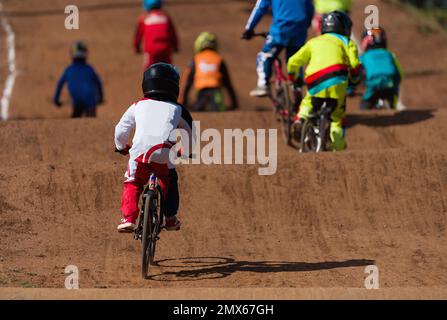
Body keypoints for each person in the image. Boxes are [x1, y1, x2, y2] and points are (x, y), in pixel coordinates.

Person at [114, 63, 194, 233]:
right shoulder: (178, 109)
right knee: (169, 180)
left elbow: (121, 129)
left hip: (139, 152)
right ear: (174, 86)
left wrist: (120, 146)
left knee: (133, 183)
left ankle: (128, 219)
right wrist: (187, 151)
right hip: (163, 153)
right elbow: (189, 131)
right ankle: (170, 218)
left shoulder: (137, 105)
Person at [287, 11, 361, 151]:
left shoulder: (313, 42)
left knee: (309, 101)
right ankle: (337, 146)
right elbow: (355, 65)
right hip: (337, 81)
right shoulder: (347, 42)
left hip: (315, 80)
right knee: (337, 118)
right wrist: (355, 80)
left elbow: (293, 61)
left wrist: (293, 77)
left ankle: (300, 119)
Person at [241, 0, 314, 97]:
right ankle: (297, 85)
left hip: (280, 29)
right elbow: (310, 9)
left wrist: (248, 29)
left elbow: (260, 8)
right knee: (295, 58)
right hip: (299, 29)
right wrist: (305, 25)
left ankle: (262, 85)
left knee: (264, 56)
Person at [180, 32, 238, 112]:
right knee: (218, 113)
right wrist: (235, 103)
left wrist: (183, 102)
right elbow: (228, 84)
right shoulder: (219, 59)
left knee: (198, 115)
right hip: (216, 94)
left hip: (201, 93)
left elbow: (187, 83)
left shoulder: (195, 59)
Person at [53, 41, 103, 118]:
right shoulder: (90, 69)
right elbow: (99, 84)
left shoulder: (69, 69)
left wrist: (56, 100)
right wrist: (100, 98)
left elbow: (60, 84)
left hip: (77, 102)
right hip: (90, 102)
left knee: (76, 116)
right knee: (91, 119)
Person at [359, 27, 403, 110]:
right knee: (393, 100)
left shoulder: (363, 57)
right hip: (390, 87)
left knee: (364, 106)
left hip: (372, 88)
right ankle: (392, 106)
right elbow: (399, 74)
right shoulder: (389, 54)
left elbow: (357, 72)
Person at [134, 0, 179, 69]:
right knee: (169, 71)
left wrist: (136, 48)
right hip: (165, 49)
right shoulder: (166, 17)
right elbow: (173, 34)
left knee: (148, 72)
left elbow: (137, 37)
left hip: (151, 51)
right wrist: (176, 47)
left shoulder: (143, 18)